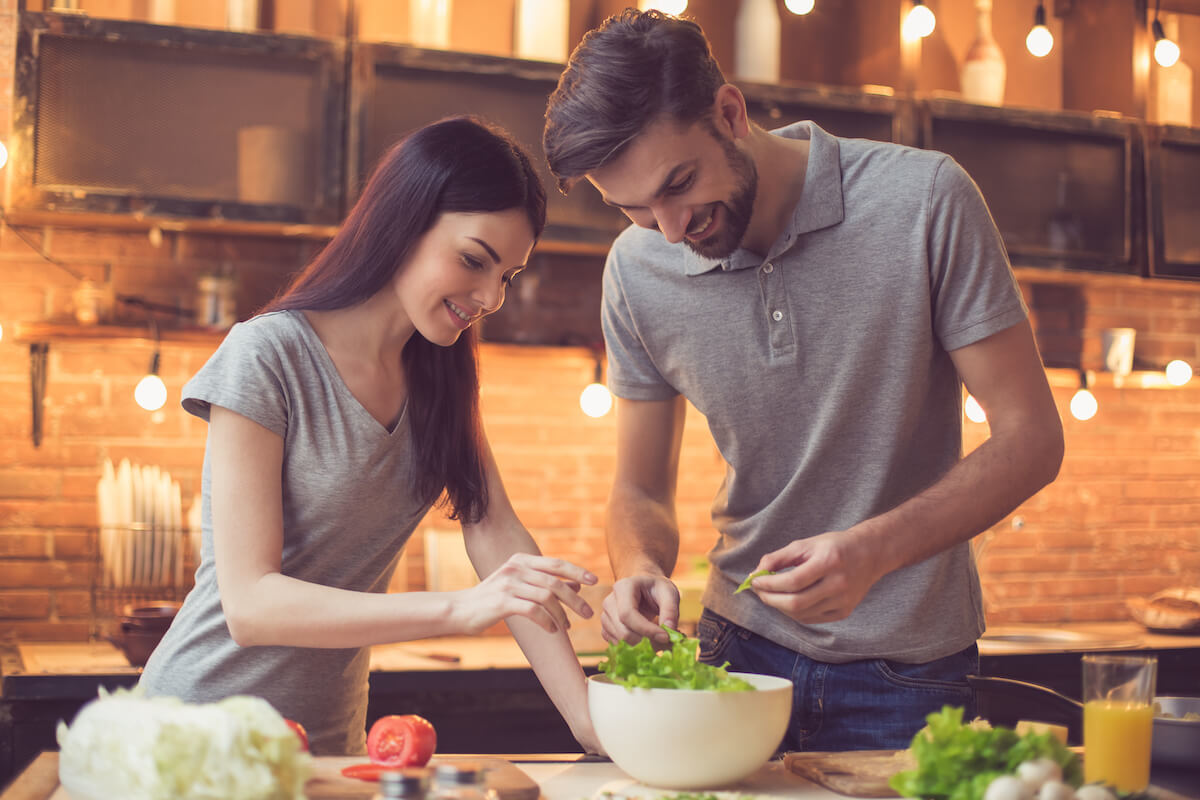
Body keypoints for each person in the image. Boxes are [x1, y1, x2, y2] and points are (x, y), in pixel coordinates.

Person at [543, 10, 1064, 751]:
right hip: (735, 656)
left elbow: (1032, 439)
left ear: (729, 113)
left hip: (909, 673)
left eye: (679, 184)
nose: (667, 230)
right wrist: (639, 568)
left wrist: (870, 554)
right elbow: (640, 489)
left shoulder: (924, 202)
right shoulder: (636, 270)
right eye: (632, 209)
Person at [139, 116, 602, 756]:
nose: (491, 296)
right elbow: (250, 606)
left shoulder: (440, 383)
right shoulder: (266, 355)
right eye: (474, 260)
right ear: (405, 221)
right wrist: (458, 609)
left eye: (508, 276)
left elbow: (497, 535)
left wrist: (591, 723)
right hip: (193, 739)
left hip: (327, 751)